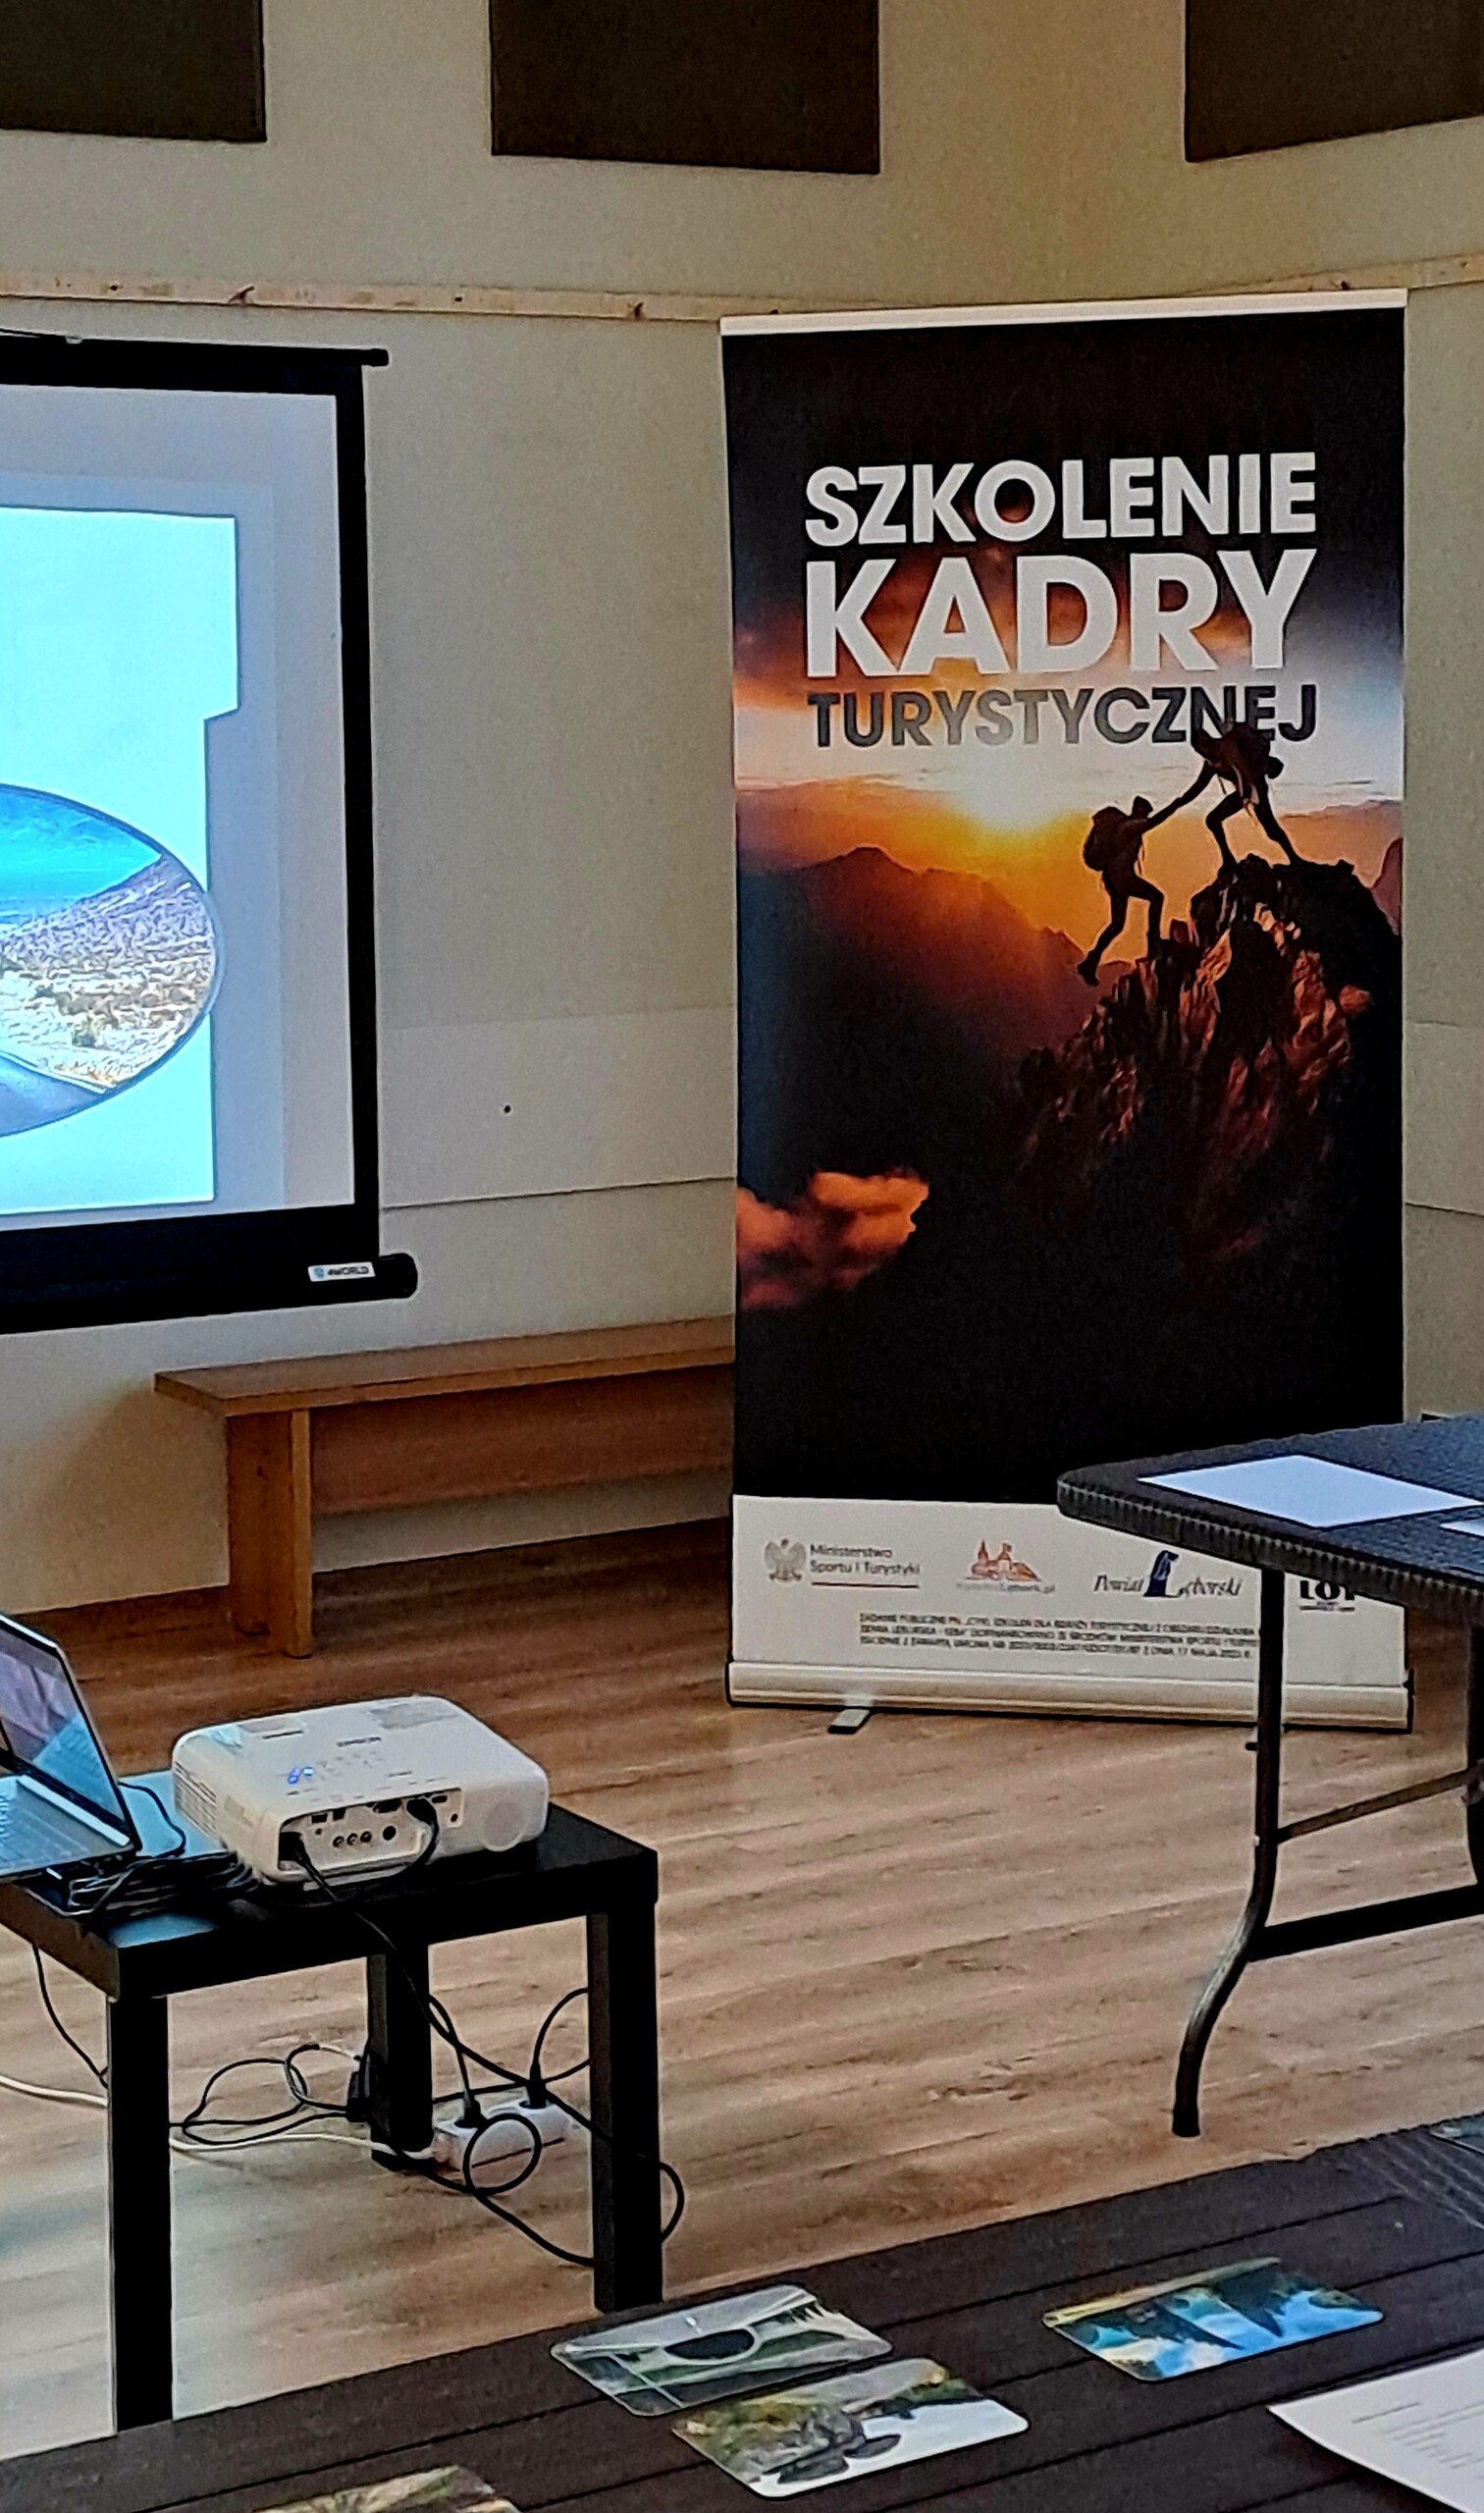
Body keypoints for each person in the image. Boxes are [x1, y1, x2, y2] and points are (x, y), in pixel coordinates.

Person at [1077, 791, 1185, 986]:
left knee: (1117, 924)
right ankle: (1153, 942)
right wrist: (1176, 804)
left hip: (1113, 878)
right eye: (1145, 812)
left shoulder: (1124, 826)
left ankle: (1091, 961)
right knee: (1156, 897)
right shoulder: (1130, 827)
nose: (1146, 816)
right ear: (1139, 811)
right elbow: (1154, 822)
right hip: (1123, 879)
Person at [1179, 720, 1299, 872]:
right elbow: (1197, 789)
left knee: (1270, 827)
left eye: (1205, 747)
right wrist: (1177, 804)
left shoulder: (1229, 749)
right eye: (1200, 750)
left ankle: (1294, 859)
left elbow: (1246, 774)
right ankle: (1228, 859)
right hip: (1244, 792)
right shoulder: (1211, 764)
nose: (1205, 752)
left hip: (1256, 787)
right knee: (1213, 820)